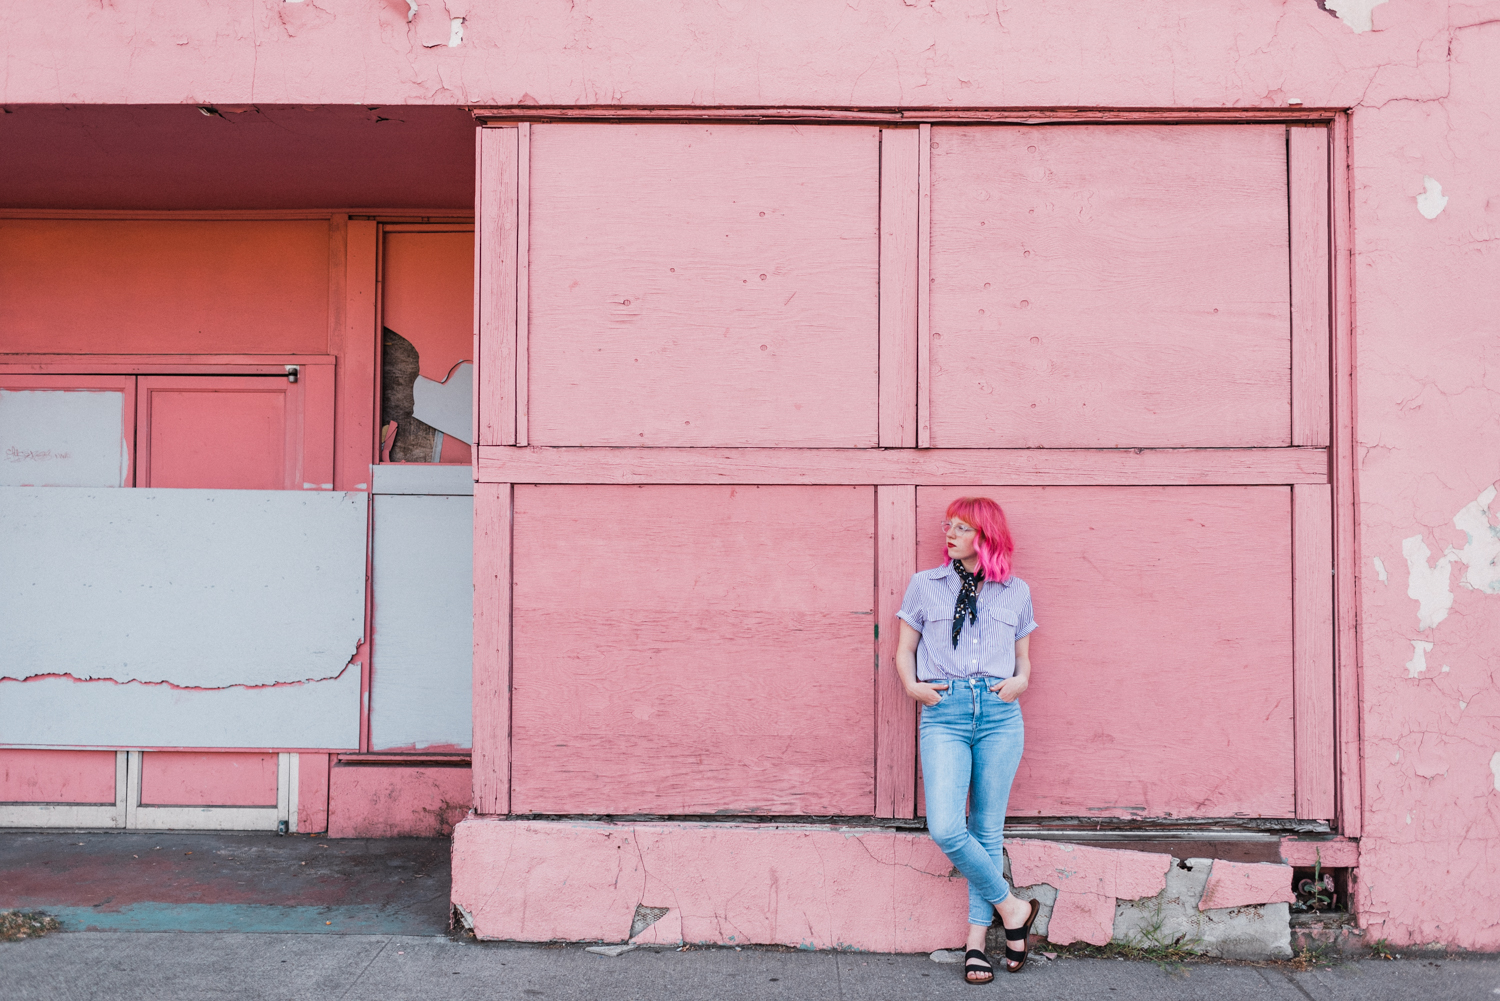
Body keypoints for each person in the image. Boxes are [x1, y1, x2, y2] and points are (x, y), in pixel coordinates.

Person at [895, 496, 1040, 984]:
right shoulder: (924, 585)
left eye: (960, 527)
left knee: (987, 831)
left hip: (1000, 713)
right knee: (945, 827)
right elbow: (904, 648)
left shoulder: (1015, 591)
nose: (949, 534)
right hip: (945, 712)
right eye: (948, 526)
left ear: (985, 535)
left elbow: (1024, 658)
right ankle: (1013, 908)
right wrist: (913, 686)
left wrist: (1021, 680)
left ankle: (976, 944)